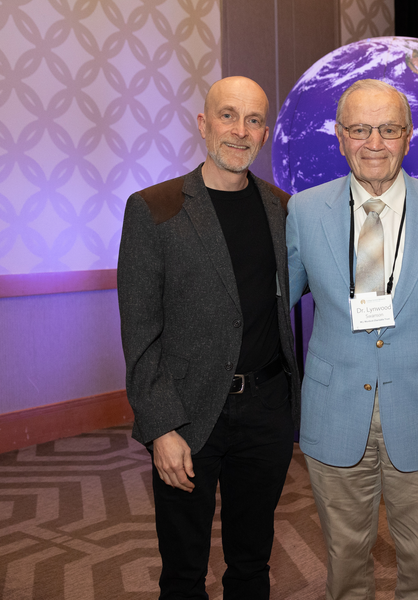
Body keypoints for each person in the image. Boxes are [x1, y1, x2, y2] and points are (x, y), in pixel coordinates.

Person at [117, 76, 300, 599]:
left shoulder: (282, 209)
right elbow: (139, 331)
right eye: (228, 115)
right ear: (203, 124)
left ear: (265, 133)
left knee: (252, 563)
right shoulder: (154, 208)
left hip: (266, 412)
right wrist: (161, 428)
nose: (240, 131)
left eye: (254, 120)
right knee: (183, 571)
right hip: (188, 414)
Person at [286, 78, 418, 600]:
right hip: (334, 409)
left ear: (409, 137)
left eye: (388, 129)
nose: (374, 143)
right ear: (340, 137)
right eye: (361, 129)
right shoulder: (303, 210)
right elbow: (275, 310)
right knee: (344, 562)